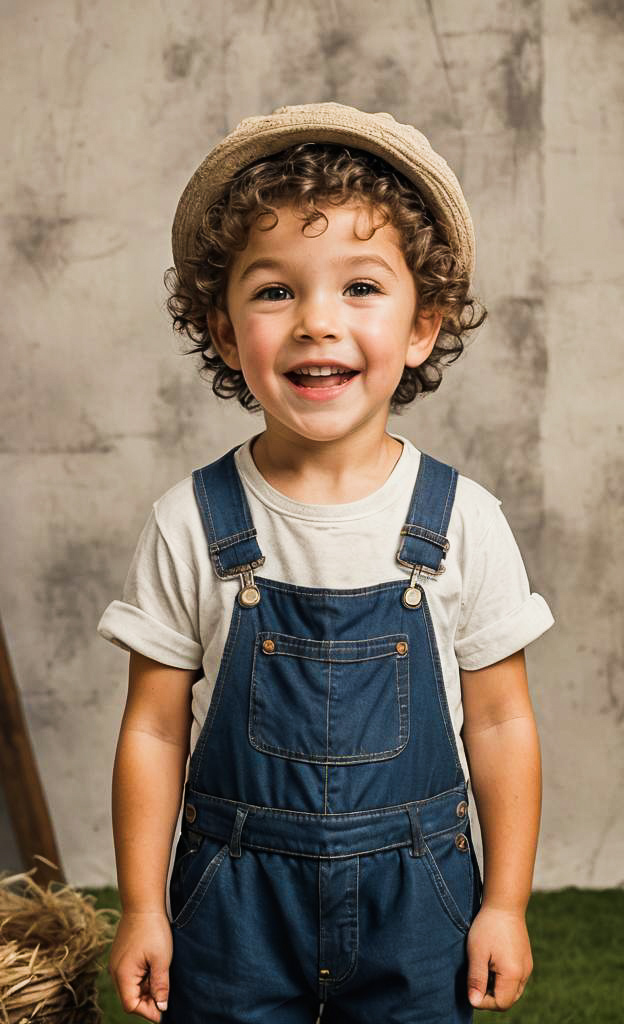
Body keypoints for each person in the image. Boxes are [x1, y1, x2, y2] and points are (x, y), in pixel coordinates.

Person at [98, 101, 555, 1023]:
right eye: (274, 291)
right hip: (230, 898)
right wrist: (143, 906)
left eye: (359, 288)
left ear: (423, 327)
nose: (316, 322)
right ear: (225, 335)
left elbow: (501, 724)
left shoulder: (463, 520)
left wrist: (503, 902)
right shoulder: (191, 521)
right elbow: (153, 730)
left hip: (418, 894)